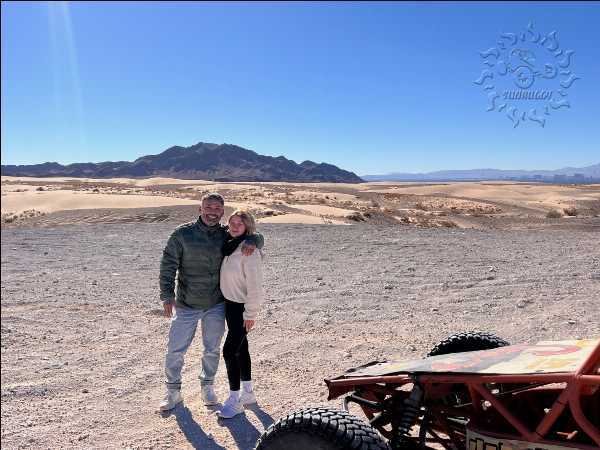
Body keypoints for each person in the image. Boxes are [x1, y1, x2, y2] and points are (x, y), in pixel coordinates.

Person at [158, 193, 264, 412]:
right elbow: (168, 264)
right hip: (186, 304)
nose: (212, 212)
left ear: (222, 212)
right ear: (200, 209)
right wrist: (167, 295)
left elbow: (252, 233)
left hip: (216, 304)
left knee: (212, 349)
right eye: (208, 207)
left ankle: (207, 386)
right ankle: (173, 391)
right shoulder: (182, 234)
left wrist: (254, 240)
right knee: (175, 350)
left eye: (217, 208)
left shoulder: (225, 234)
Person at [217, 209, 265, 418]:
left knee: (229, 351)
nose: (235, 226)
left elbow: (255, 287)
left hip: (242, 308)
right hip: (230, 305)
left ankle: (234, 400)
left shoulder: (249, 251)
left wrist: (250, 314)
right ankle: (248, 393)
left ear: (247, 226)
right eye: (232, 222)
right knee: (241, 349)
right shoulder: (230, 244)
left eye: (240, 223)